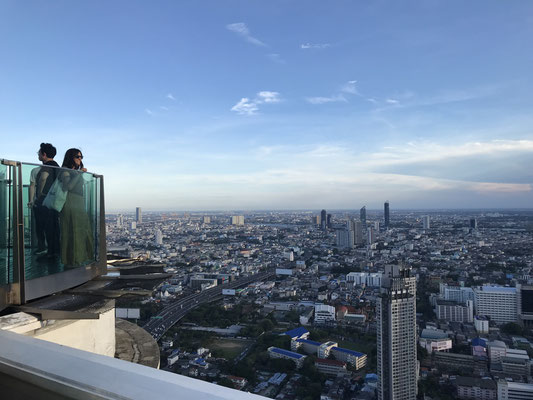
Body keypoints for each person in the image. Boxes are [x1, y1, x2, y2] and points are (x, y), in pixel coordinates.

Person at [59, 148, 94, 266]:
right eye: (77, 157)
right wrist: (80, 174)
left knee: (81, 229)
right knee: (71, 230)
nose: (80, 159)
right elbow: (68, 187)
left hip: (79, 202)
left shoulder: (75, 171)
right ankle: (71, 260)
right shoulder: (64, 170)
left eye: (81, 157)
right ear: (71, 158)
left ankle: (79, 257)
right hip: (70, 202)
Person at [33, 143, 60, 258]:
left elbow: (43, 178)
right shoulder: (57, 166)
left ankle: (49, 253)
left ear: (44, 154)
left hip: (45, 200)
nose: (38, 155)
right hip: (54, 201)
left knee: (44, 227)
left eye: (39, 153)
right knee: (53, 228)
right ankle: (54, 252)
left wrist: (39, 195)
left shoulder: (47, 166)